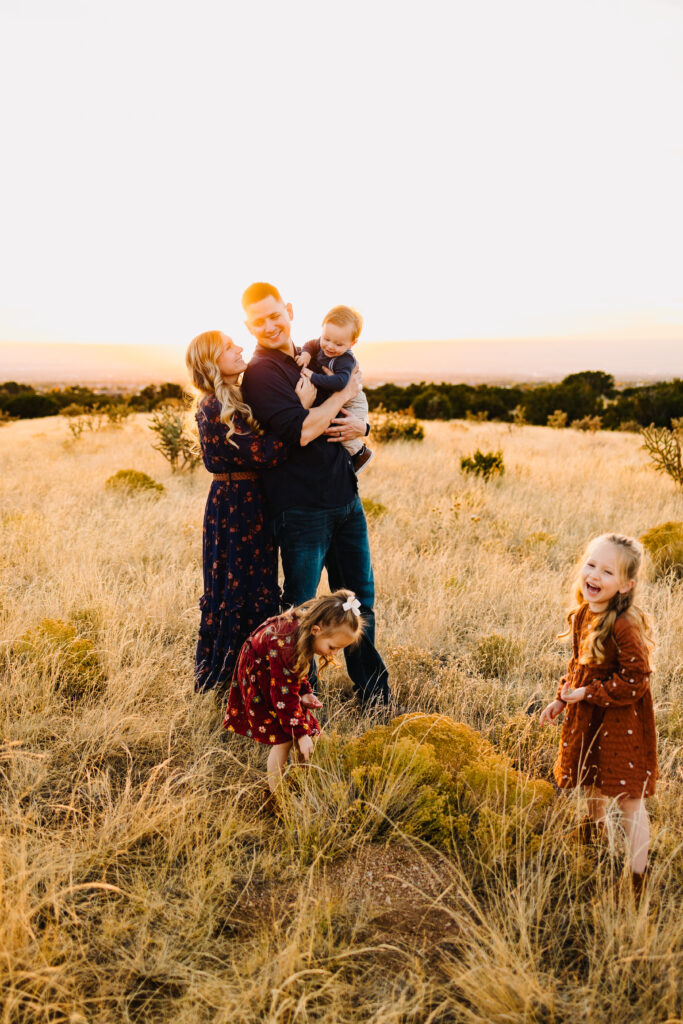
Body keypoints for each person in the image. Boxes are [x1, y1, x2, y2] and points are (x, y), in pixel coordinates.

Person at [240, 281, 392, 709]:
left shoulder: (316, 354)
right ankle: (300, 700)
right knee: (302, 613)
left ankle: (375, 697)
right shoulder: (262, 372)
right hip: (301, 510)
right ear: (248, 325)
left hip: (345, 499)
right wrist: (344, 393)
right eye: (258, 320)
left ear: (288, 310)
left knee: (360, 603)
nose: (269, 325)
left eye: (275, 315)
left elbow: (344, 417)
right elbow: (303, 430)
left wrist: (361, 427)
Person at [186, 329, 315, 693]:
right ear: (212, 361)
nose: (240, 347)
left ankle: (249, 679)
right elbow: (265, 453)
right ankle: (231, 680)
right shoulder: (214, 404)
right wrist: (300, 411)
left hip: (247, 502)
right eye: (228, 347)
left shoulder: (234, 398)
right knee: (237, 590)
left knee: (250, 588)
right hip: (234, 506)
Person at [540, 533, 657, 898]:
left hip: (621, 723)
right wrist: (563, 698)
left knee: (627, 798)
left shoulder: (623, 626)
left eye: (607, 571)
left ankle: (637, 878)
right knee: (589, 775)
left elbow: (635, 680)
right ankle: (593, 832)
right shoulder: (581, 615)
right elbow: (578, 666)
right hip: (588, 716)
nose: (594, 575)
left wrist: (587, 694)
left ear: (625, 585)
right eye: (591, 565)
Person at [225, 590, 364, 791]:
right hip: (261, 677)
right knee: (284, 739)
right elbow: (283, 693)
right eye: (333, 647)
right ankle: (277, 796)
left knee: (299, 726)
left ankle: (301, 783)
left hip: (277, 675)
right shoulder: (287, 646)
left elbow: (295, 670)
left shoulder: (304, 631)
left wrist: (304, 691)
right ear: (316, 630)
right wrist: (299, 734)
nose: (334, 654)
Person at [296, 304, 373, 473]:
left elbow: (340, 383)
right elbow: (311, 343)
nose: (330, 346)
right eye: (326, 339)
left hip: (353, 402)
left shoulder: (345, 360)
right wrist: (307, 353)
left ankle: (359, 455)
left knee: (339, 430)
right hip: (343, 397)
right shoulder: (322, 343)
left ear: (352, 343)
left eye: (338, 344)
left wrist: (312, 376)